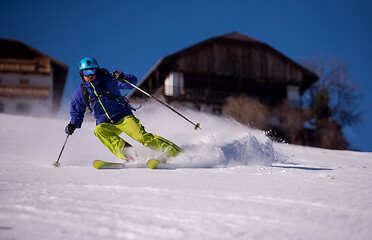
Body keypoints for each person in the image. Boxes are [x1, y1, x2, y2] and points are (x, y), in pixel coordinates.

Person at [65, 57, 182, 161]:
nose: (90, 75)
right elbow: (77, 111)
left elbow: (132, 82)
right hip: (106, 123)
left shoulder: (108, 80)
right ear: (81, 74)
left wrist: (122, 77)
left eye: (93, 71)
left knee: (142, 137)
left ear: (97, 70)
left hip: (123, 117)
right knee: (98, 130)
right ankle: (130, 154)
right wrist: (73, 124)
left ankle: (174, 152)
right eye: (87, 72)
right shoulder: (81, 93)